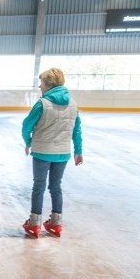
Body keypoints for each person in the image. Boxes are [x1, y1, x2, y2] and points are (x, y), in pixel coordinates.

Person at [21, 67, 83, 238]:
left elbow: (27, 125)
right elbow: (77, 130)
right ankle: (56, 223)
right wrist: (79, 151)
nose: (40, 86)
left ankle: (34, 224)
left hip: (42, 152)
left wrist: (28, 142)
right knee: (56, 187)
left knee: (38, 187)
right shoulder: (72, 104)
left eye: (41, 83)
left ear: (48, 84)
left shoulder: (42, 104)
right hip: (62, 154)